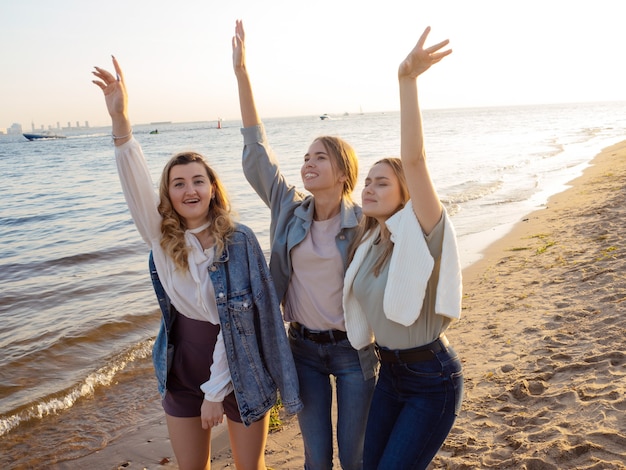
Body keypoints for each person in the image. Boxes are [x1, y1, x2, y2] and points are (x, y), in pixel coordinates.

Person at [92, 57, 302, 470]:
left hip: (241, 362)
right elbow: (133, 183)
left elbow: (237, 320)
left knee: (249, 467)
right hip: (182, 362)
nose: (189, 189)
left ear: (212, 189)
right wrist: (121, 122)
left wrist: (215, 392)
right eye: (178, 183)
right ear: (168, 194)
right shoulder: (161, 238)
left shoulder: (237, 240)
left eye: (198, 181)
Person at [232, 20, 378, 470]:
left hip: (354, 351)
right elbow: (258, 152)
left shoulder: (367, 224)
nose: (307, 163)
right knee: (316, 458)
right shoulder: (288, 208)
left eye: (320, 157)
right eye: (305, 157)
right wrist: (242, 73)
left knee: (353, 457)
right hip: (302, 349)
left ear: (343, 173)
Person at [342, 27, 464, 469]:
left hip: (432, 376)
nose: (370, 188)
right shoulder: (369, 241)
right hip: (390, 374)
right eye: (367, 181)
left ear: (405, 192)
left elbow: (414, 159)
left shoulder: (426, 229)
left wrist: (406, 81)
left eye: (382, 182)